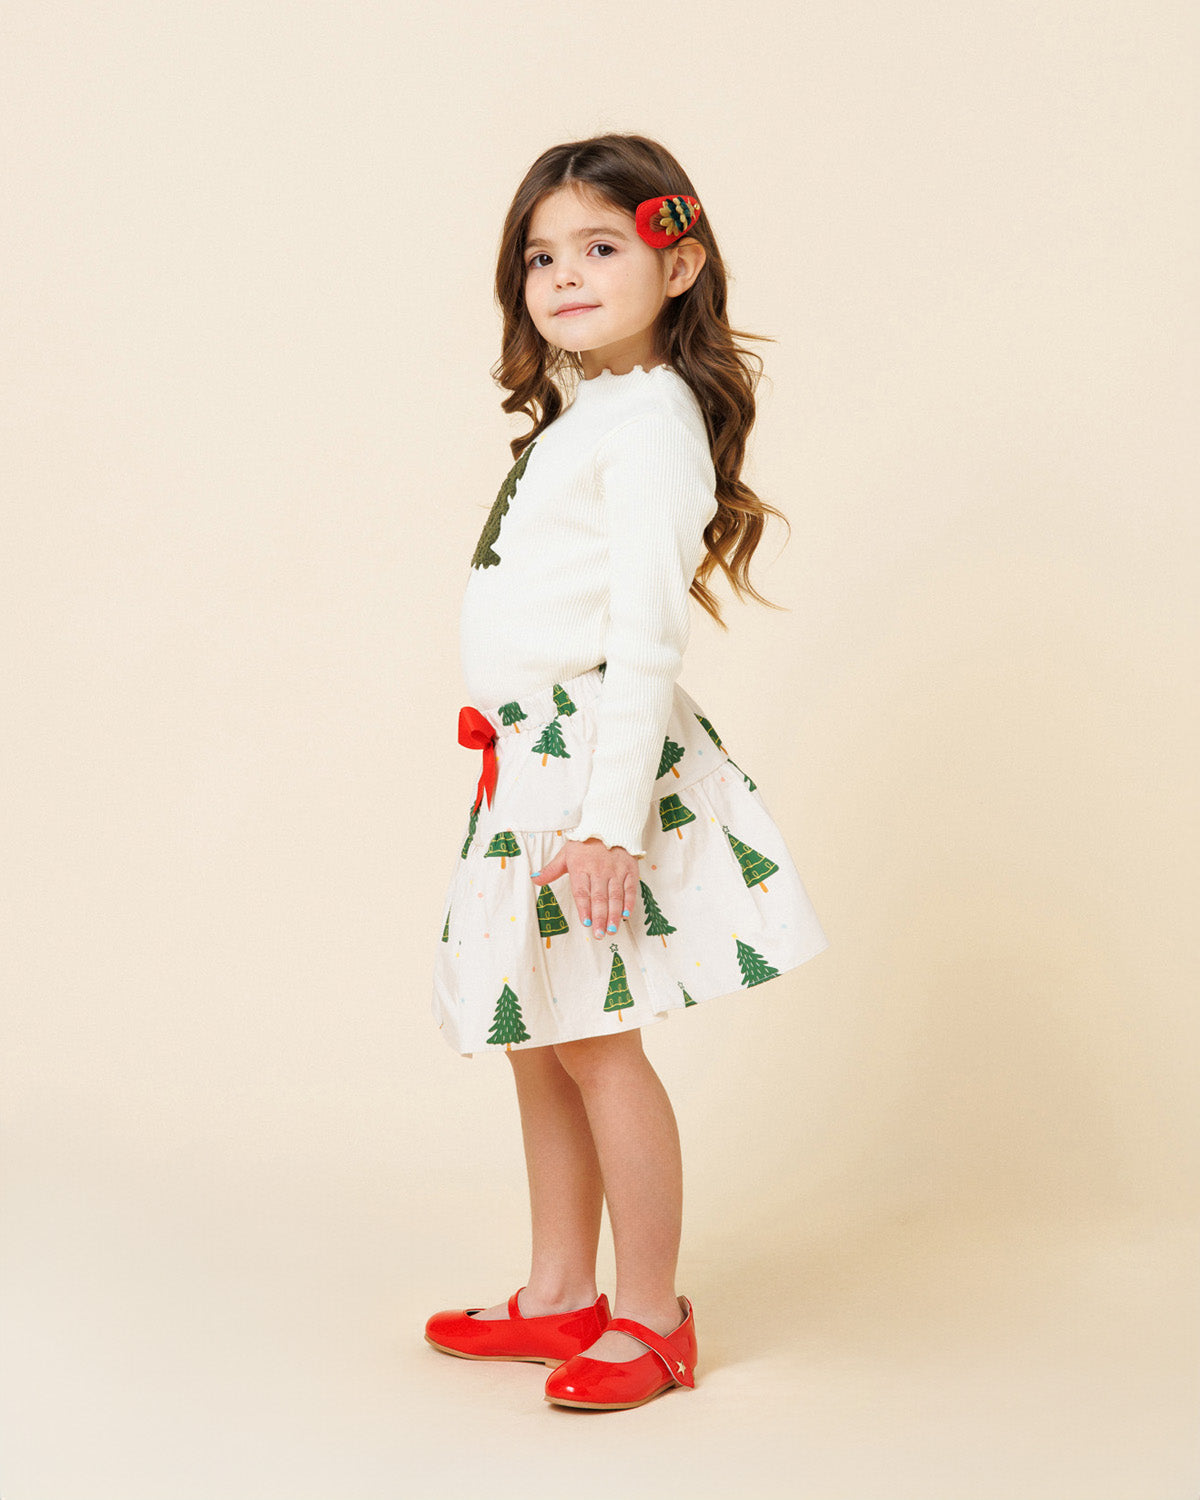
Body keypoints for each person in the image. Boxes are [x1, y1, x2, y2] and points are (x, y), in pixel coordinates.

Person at [425, 132, 830, 1412]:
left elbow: (648, 637)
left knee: (597, 1042)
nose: (563, 276)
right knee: (538, 1037)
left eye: (599, 247)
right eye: (541, 256)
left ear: (679, 263)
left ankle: (652, 1317)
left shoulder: (652, 417)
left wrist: (610, 825)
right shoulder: (591, 412)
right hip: (528, 762)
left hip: (588, 760)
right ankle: (561, 1293)